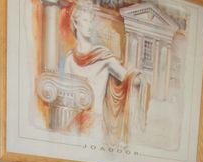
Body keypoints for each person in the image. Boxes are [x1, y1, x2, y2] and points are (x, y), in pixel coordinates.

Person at [62, 0, 147, 144]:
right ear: (76, 24)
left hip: (95, 124)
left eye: (91, 21)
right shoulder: (70, 59)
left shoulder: (103, 56)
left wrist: (139, 78)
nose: (89, 25)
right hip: (75, 122)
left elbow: (129, 78)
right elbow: (67, 96)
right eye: (85, 20)